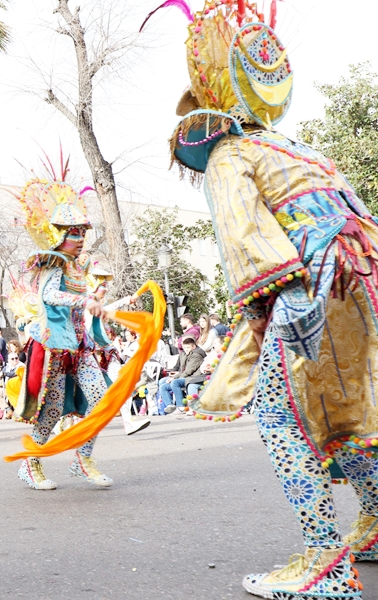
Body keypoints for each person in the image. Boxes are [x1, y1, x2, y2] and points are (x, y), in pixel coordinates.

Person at [146, 0, 378, 595]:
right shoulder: (301, 149)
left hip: (303, 286)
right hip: (357, 284)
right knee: (344, 411)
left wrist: (276, 308)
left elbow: (250, 240)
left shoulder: (230, 152)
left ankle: (325, 561)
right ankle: (376, 522)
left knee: (283, 415)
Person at [10, 163, 115, 491]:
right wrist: (85, 302)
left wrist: (97, 303)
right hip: (55, 347)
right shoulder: (52, 263)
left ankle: (83, 459)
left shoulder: (78, 266)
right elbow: (48, 295)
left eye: (83, 232)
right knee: (51, 411)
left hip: (80, 347)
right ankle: (31, 463)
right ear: (58, 234)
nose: (80, 238)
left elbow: (83, 298)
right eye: (73, 232)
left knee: (102, 401)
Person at [156, 337, 205, 414]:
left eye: (188, 347)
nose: (186, 349)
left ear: (193, 347)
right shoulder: (183, 354)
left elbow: (188, 371)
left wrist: (174, 378)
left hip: (193, 378)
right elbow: (178, 367)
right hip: (184, 376)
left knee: (175, 383)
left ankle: (181, 407)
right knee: (163, 386)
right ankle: (170, 405)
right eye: (184, 347)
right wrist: (172, 374)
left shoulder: (196, 355)